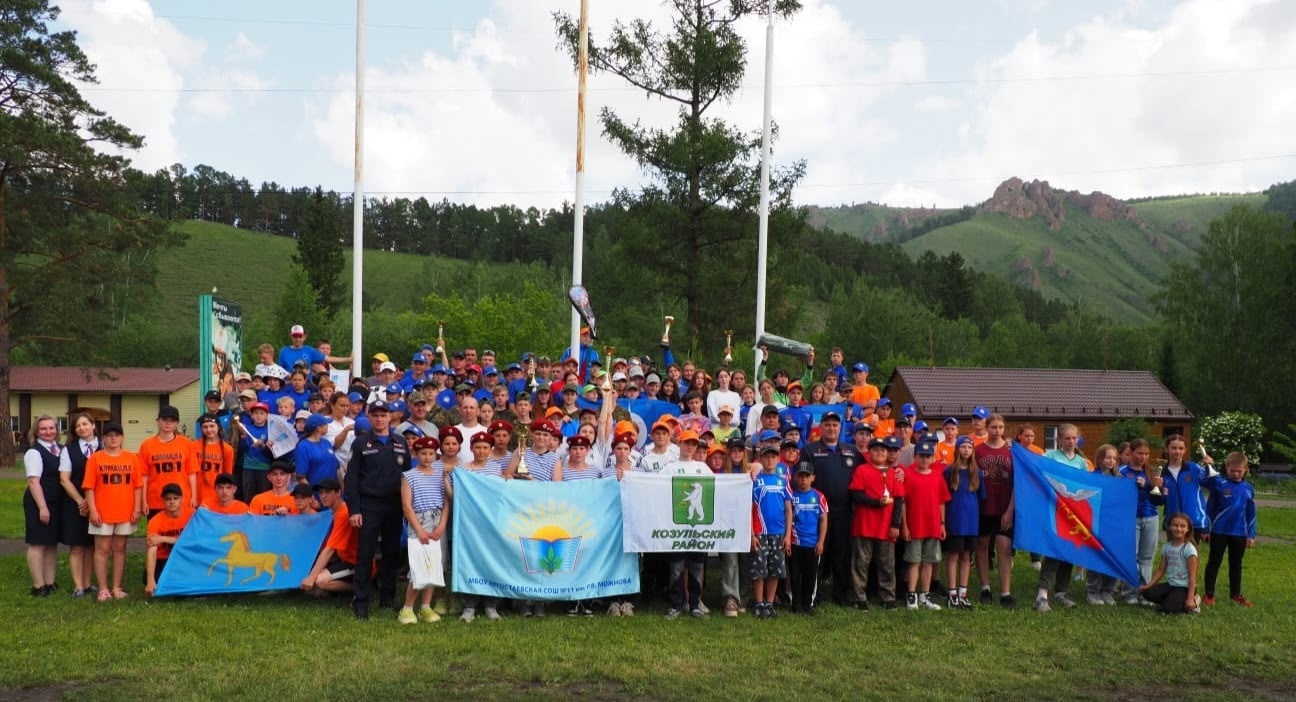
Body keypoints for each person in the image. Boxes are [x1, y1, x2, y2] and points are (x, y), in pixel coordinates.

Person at [344, 400, 410, 620]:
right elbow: (351, 478)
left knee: (391, 553)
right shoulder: (361, 443)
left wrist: (407, 507)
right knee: (365, 554)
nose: (380, 419)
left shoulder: (400, 442)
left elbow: (407, 477)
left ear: (390, 417)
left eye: (383, 415)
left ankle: (387, 597)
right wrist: (354, 509)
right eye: (375, 415)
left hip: (394, 506)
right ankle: (361, 601)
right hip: (369, 505)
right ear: (369, 418)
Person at [800, 411, 861, 606]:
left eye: (835, 425)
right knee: (819, 552)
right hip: (818, 512)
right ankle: (814, 593)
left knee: (842, 553)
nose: (831, 428)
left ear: (840, 427)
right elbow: (802, 478)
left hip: (844, 510)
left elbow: (868, 473)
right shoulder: (810, 450)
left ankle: (841, 594)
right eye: (827, 424)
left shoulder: (852, 451)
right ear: (821, 428)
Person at [81, 422, 144, 601]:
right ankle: (103, 588)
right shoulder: (95, 459)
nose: (113, 438)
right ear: (103, 438)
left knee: (120, 548)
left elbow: (138, 486)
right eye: (109, 435)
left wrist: (137, 509)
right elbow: (89, 487)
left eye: (116, 435)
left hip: (125, 511)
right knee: (102, 549)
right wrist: (93, 510)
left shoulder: (131, 458)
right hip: (102, 512)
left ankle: (116, 587)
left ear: (122, 438)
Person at [398, 436, 452, 625]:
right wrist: (419, 530)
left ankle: (426, 606)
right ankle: (407, 608)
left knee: (435, 565)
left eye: (431, 453)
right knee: (419, 566)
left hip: (437, 521)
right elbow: (407, 506)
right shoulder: (409, 476)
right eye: (423, 453)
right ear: (415, 454)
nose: (427, 457)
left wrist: (442, 525)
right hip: (419, 521)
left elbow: (447, 501)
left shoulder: (440, 472)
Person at [1036, 423, 1089, 611]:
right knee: (1054, 551)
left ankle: (1061, 592)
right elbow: (1037, 471)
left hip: (1073, 513)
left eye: (1074, 438)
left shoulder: (1081, 462)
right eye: (1067, 438)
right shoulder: (1050, 456)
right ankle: (1042, 594)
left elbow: (1086, 484)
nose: (1071, 441)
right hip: (1054, 510)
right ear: (1059, 440)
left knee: (1069, 551)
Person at [848, 437, 904, 610]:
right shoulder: (862, 470)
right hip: (864, 525)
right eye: (875, 450)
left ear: (887, 453)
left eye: (883, 450)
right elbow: (856, 495)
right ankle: (859, 598)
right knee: (861, 563)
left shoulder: (893, 473)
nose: (879, 453)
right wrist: (876, 503)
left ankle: (888, 597)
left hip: (886, 527)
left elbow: (899, 500)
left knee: (887, 564)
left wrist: (895, 525)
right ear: (869, 452)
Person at [661, 430, 711, 619]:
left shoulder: (703, 468)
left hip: (698, 529)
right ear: (680, 444)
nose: (690, 447)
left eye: (693, 444)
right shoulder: (670, 468)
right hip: (676, 527)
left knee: (697, 566)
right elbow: (657, 490)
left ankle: (695, 604)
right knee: (676, 567)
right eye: (686, 443)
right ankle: (676, 604)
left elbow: (716, 488)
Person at [1201, 452, 1257, 608]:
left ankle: (1235, 595)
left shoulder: (1249, 489)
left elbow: (1251, 513)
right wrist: (1206, 529)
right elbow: (1209, 509)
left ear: (1245, 469)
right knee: (1214, 562)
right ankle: (1209, 594)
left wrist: (1251, 535)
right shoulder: (1219, 485)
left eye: (1239, 471)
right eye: (1233, 471)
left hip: (1239, 533)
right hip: (1219, 532)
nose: (1236, 474)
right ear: (1227, 467)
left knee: (1236, 564)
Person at [902, 438, 950, 611]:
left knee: (929, 561)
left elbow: (941, 502)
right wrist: (904, 525)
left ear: (933, 458)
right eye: (921, 456)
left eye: (928, 456)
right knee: (914, 561)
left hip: (933, 525)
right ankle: (911, 595)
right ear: (915, 456)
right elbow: (903, 502)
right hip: (915, 525)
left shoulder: (937, 476)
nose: (924, 459)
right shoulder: (908, 474)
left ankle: (925, 595)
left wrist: (942, 524)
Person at [974, 413, 1016, 608]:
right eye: (993, 427)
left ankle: (1006, 592)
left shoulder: (1012, 451)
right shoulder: (978, 450)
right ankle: (985, 588)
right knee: (981, 546)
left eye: (1000, 427)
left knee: (1004, 549)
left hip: (1004, 507)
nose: (997, 430)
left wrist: (1010, 510)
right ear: (987, 427)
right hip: (983, 505)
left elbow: (1018, 483)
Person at [1119, 438, 1164, 603]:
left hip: (1151, 516)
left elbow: (1158, 501)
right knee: (1132, 555)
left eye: (1146, 454)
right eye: (1139, 453)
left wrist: (1157, 488)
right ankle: (1129, 592)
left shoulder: (1151, 472)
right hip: (1130, 518)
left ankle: (1145, 592)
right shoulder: (1122, 472)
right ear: (1131, 452)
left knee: (1147, 557)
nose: (1142, 457)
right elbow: (1117, 496)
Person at [750, 445, 794, 619]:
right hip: (760, 532)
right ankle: (759, 603)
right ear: (761, 459)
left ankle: (769, 602)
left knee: (775, 570)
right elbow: (749, 508)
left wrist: (788, 535)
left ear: (778, 459)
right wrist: (752, 534)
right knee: (759, 569)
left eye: (773, 457)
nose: (770, 460)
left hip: (779, 533)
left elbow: (789, 510)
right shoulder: (755, 481)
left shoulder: (783, 481)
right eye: (766, 457)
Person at [23, 416, 64, 597]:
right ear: (36, 432)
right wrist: (42, 507)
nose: (48, 432)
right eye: (43, 429)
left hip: (56, 502)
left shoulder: (60, 449)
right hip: (39, 502)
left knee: (51, 543)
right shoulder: (34, 452)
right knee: (38, 543)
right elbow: (33, 481)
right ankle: (38, 586)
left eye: (51, 428)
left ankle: (50, 582)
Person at [60, 413, 99, 598]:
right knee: (77, 546)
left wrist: (93, 504)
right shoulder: (69, 450)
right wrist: (81, 501)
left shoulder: (105, 446)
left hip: (99, 504)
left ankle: (88, 583)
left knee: (91, 546)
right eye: (78, 426)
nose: (82, 428)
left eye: (85, 424)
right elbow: (64, 479)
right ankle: (78, 586)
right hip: (75, 504)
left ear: (93, 425)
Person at [301, 478, 358, 596]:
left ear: (338, 493)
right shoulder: (333, 512)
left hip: (355, 562)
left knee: (320, 581)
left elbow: (329, 549)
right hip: (343, 559)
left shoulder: (344, 512)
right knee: (314, 577)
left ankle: (361, 588)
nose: (323, 496)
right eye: (321, 492)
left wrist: (311, 578)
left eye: (327, 492)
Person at [943, 437, 982, 609]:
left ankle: (963, 593)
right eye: (963, 447)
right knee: (953, 556)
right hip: (955, 520)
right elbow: (943, 497)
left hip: (971, 522)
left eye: (969, 447)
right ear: (957, 449)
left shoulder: (977, 472)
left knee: (967, 556)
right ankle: (952, 593)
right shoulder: (949, 471)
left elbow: (980, 496)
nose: (966, 450)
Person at [1138, 513, 1199, 614]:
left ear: (1188, 529)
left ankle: (1194, 600)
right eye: (1175, 525)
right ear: (1169, 527)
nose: (1178, 529)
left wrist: (1189, 598)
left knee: (1168, 609)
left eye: (1182, 526)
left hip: (1184, 587)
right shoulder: (1167, 547)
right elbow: (1161, 569)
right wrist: (1148, 586)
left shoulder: (1189, 549)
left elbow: (1192, 576)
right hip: (1171, 584)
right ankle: (1173, 600)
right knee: (1146, 593)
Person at [140, 405, 195, 515]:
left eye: (172, 420)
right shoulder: (147, 445)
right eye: (164, 419)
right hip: (156, 499)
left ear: (177, 423)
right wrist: (143, 500)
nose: (168, 423)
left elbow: (192, 473)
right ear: (158, 421)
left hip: (181, 498)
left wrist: (194, 496)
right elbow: (143, 476)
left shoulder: (186, 444)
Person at [1084, 444, 1122, 605]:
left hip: (1114, 524)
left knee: (1113, 556)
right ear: (1099, 459)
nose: (1111, 461)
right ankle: (1093, 591)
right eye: (1108, 457)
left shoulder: (1120, 479)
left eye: (1114, 458)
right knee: (1097, 556)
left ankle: (1108, 590)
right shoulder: (1092, 477)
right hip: (1097, 523)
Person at [789, 464, 828, 615]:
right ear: (796, 477)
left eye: (807, 476)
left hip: (813, 544)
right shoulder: (791, 496)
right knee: (795, 575)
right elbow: (788, 518)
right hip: (795, 543)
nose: (803, 479)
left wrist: (821, 541)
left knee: (811, 576)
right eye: (800, 476)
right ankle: (795, 604)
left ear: (813, 478)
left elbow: (823, 520)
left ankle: (808, 604)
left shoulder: (819, 496)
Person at [1160, 434, 1213, 540]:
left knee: (1192, 551)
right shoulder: (1162, 473)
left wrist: (1210, 467)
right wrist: (1159, 489)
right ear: (1166, 449)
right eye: (1174, 448)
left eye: (1181, 448)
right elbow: (1161, 500)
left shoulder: (1193, 468)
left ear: (1185, 450)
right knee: (1173, 550)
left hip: (1194, 522)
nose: (1177, 451)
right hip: (1173, 523)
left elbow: (1212, 483)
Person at [144, 484, 192, 597]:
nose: (172, 502)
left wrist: (163, 538)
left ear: (182, 499)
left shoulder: (192, 515)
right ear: (163, 501)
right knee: (150, 579)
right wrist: (150, 580)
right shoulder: (155, 520)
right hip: (164, 559)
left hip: (185, 558)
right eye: (168, 499)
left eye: (175, 498)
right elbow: (152, 548)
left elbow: (193, 541)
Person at [191, 413, 234, 508]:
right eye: (205, 427)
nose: (209, 430)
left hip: (217, 495)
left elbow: (228, 476)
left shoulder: (227, 449)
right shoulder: (193, 446)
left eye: (212, 426)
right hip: (197, 494)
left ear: (218, 427)